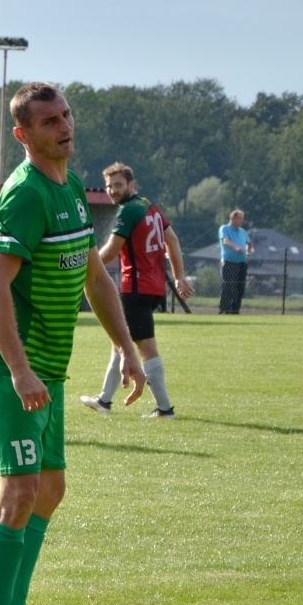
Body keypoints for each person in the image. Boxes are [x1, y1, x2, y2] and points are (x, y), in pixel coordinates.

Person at [0, 83, 145, 605]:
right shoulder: (25, 195)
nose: (63, 126)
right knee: (18, 490)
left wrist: (127, 350)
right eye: (48, 121)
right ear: (23, 135)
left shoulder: (69, 186)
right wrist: (19, 371)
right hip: (9, 362)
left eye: (65, 115)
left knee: (51, 489)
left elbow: (94, 277)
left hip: (49, 366)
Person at [80, 163, 194, 419]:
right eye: (109, 186)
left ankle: (165, 409)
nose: (112, 190)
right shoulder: (147, 205)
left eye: (118, 185)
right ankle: (104, 400)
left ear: (132, 185)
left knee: (145, 349)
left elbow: (109, 251)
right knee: (119, 341)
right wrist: (178, 277)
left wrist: (79, 267)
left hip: (136, 287)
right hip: (153, 288)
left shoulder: (129, 211)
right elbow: (172, 241)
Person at [218, 209, 253, 314]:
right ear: (233, 218)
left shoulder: (242, 231)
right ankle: (224, 309)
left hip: (241, 263)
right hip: (229, 262)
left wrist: (248, 254)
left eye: (242, 219)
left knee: (240, 286)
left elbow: (249, 244)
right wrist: (236, 247)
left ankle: (235, 309)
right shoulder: (225, 228)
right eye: (240, 219)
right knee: (228, 285)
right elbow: (225, 241)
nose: (242, 221)